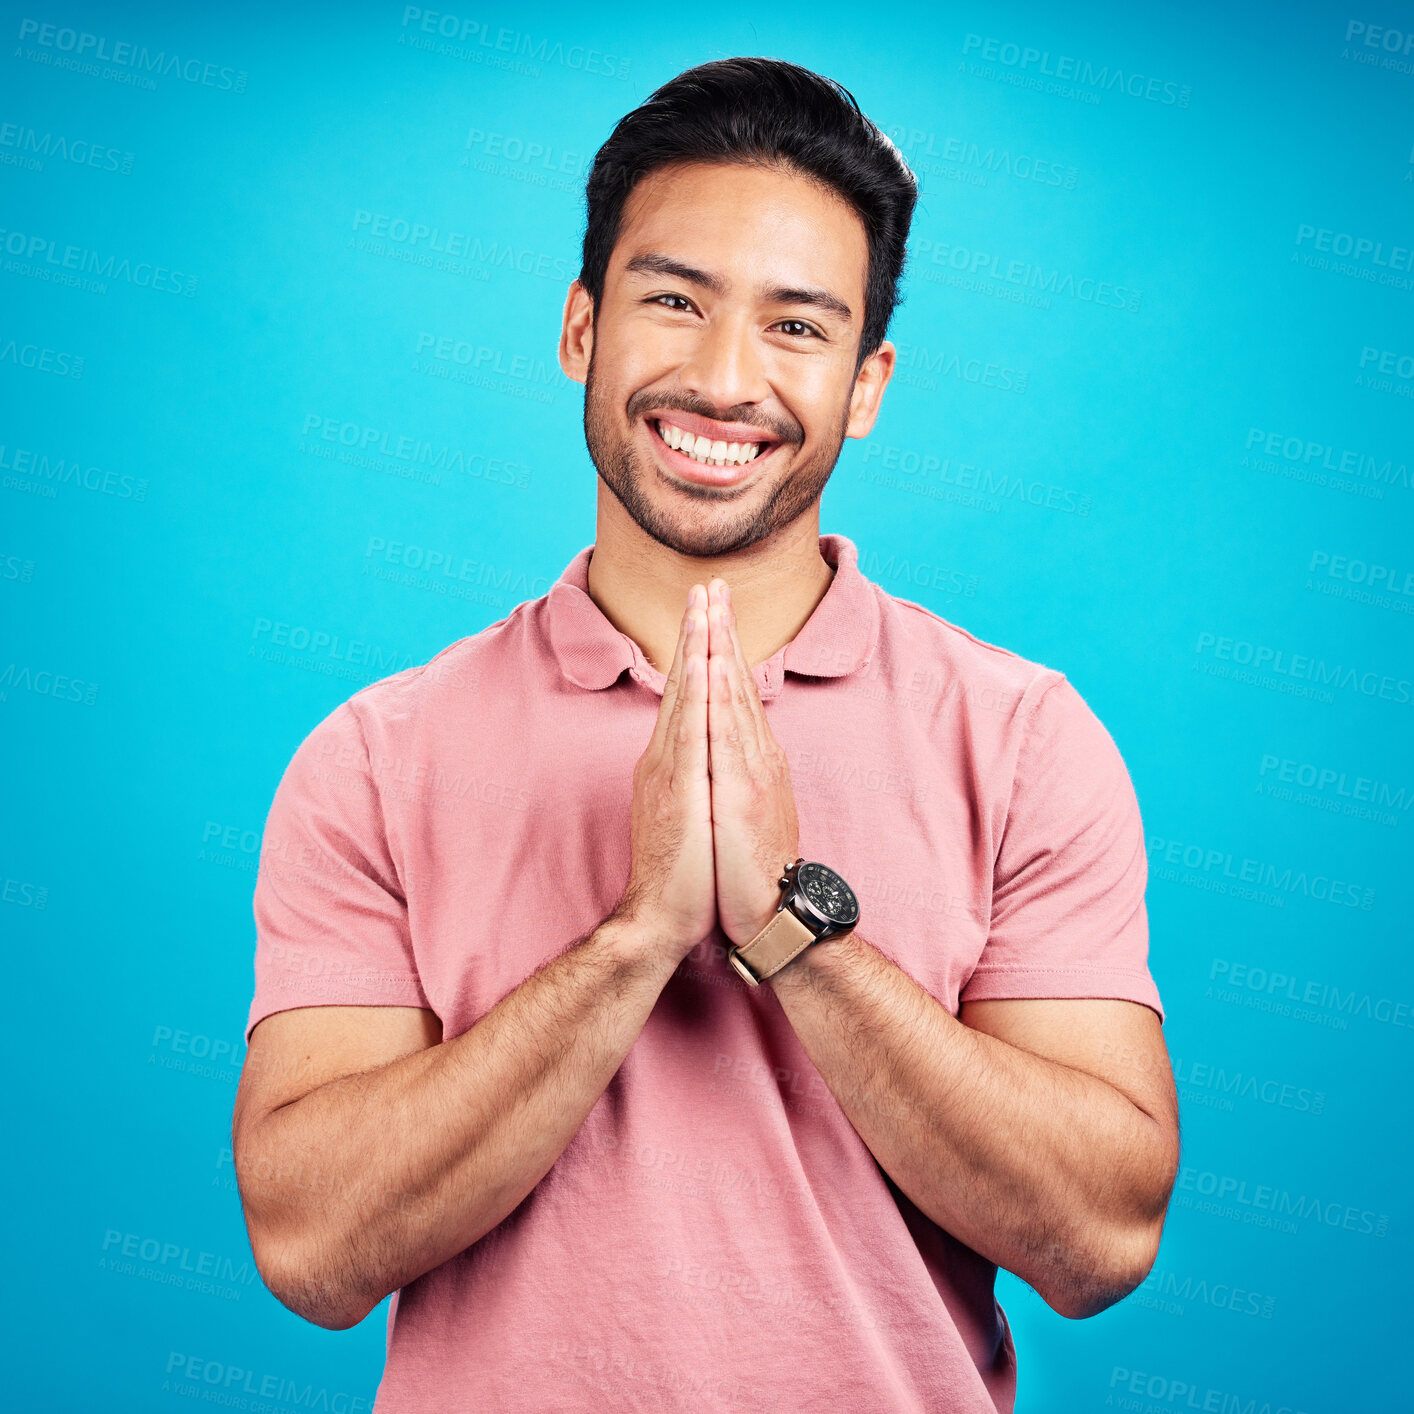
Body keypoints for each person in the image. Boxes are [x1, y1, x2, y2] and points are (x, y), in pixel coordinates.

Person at [232, 56, 1178, 1414]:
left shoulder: (1023, 737)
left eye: (797, 327)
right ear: (579, 328)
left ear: (865, 383)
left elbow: (1098, 1239)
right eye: (672, 301)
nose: (723, 379)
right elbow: (313, 1250)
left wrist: (789, 933)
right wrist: (634, 938)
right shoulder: (376, 756)